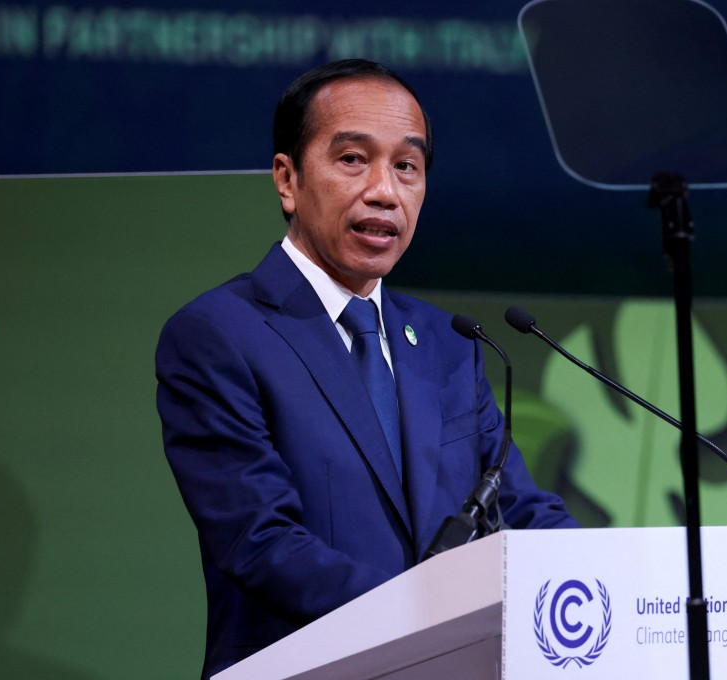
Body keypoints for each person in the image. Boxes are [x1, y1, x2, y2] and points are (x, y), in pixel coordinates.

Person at [155, 59, 577, 679]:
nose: (385, 190)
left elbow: (518, 509)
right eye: (353, 159)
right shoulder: (220, 335)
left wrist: (604, 577)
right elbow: (262, 543)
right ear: (288, 179)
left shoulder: (448, 344)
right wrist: (430, 618)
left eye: (407, 166)